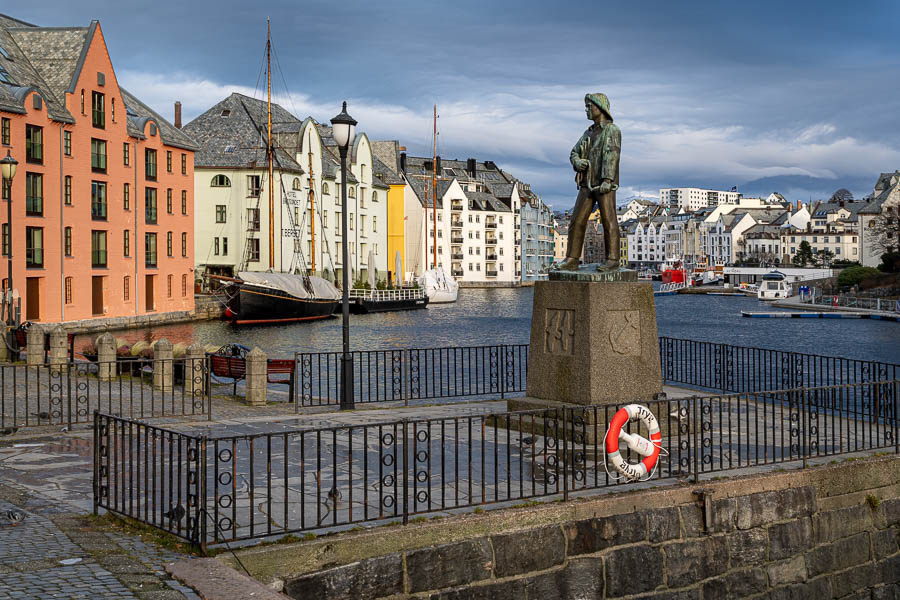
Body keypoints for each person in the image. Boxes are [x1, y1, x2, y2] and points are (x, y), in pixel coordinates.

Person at [556, 93, 621, 271]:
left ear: (599, 108)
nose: (586, 110)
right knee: (576, 221)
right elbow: (574, 152)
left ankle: (613, 259)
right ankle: (572, 259)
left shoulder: (612, 130)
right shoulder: (588, 133)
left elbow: (612, 154)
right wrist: (577, 162)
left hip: (604, 184)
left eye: (589, 107)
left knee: (609, 221)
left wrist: (608, 179)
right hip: (587, 183)